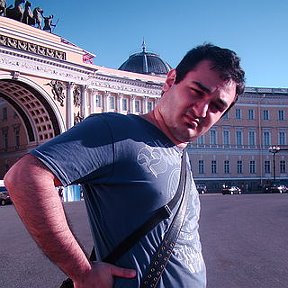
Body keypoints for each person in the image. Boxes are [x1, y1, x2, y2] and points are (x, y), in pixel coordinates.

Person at [4, 43, 245, 288]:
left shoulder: (179, 153)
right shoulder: (115, 131)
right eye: (196, 91)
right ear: (171, 80)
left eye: (216, 106)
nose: (201, 110)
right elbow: (26, 177)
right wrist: (81, 271)